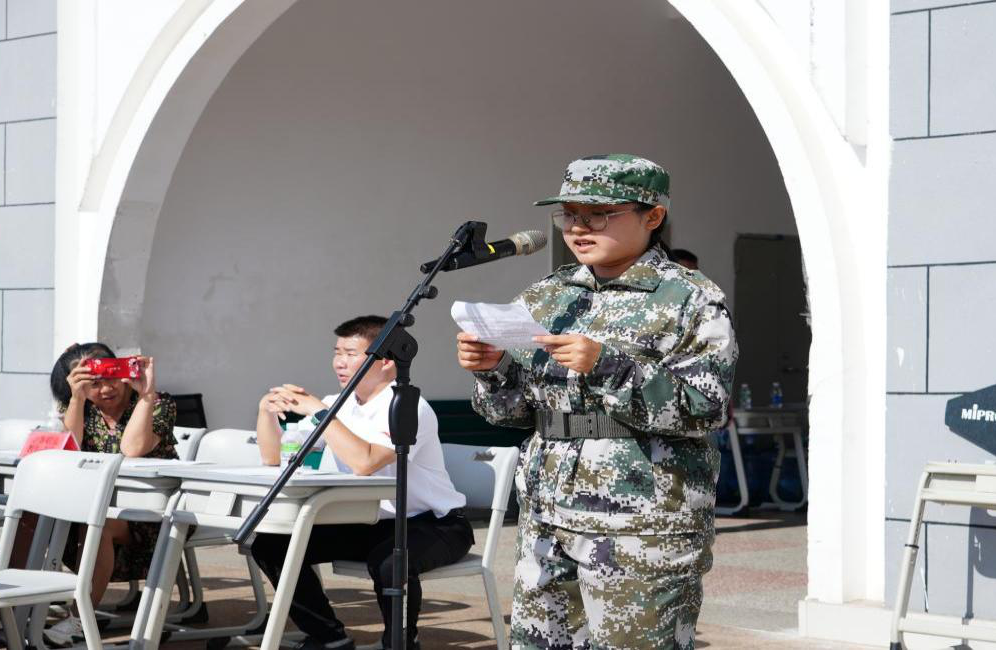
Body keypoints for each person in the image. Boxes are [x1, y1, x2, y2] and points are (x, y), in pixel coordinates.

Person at [456, 154, 738, 649]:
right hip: (547, 515)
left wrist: (608, 365)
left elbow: (705, 408)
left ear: (652, 216)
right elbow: (510, 413)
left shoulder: (689, 298)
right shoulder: (547, 296)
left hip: (642, 524)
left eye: (599, 214)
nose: (579, 228)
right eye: (569, 214)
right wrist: (492, 369)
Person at [251, 315, 472, 650]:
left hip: (433, 524)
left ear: (386, 361)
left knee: (390, 562)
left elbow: (365, 462)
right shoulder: (337, 404)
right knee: (271, 545)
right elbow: (272, 457)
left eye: (351, 354)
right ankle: (329, 638)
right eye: (337, 352)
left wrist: (320, 413)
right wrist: (265, 413)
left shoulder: (408, 405)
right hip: (368, 522)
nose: (340, 362)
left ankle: (400, 642)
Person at [0, 343, 179, 646]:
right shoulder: (81, 407)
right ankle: (4, 603)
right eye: (93, 383)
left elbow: (132, 449)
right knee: (30, 513)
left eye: (111, 376)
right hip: (89, 507)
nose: (105, 389)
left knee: (99, 523)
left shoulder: (157, 403)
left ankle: (78, 620)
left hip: (149, 518)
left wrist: (147, 394)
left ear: (123, 370)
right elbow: (68, 451)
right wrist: (76, 398)